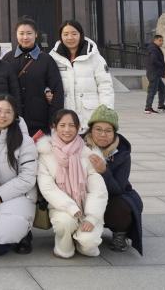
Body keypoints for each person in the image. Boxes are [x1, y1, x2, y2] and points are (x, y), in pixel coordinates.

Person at [37, 109, 108, 259]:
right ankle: (64, 245)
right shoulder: (46, 153)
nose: (67, 130)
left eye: (71, 125)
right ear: (54, 127)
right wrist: (70, 207)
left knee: (89, 245)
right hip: (61, 207)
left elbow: (98, 190)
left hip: (86, 208)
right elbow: (47, 188)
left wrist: (92, 217)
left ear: (78, 128)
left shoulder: (87, 153)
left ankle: (81, 240)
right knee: (64, 223)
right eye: (62, 125)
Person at [0, 95, 37, 256]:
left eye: (8, 112)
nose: (2, 115)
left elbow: (27, 178)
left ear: (15, 114)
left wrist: (0, 195)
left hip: (20, 195)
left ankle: (25, 234)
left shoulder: (25, 141)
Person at [83, 105, 144, 254]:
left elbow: (118, 188)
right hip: (83, 194)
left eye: (108, 130)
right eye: (98, 129)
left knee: (122, 206)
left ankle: (120, 233)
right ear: (91, 130)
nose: (103, 134)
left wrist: (104, 171)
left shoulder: (122, 152)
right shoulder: (79, 145)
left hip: (112, 196)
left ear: (114, 132)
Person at [2, 17, 64, 137]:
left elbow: (57, 91)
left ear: (36, 34)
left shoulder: (46, 60)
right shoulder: (8, 59)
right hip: (12, 120)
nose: (25, 37)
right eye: (21, 33)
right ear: (16, 35)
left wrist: (54, 120)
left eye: (29, 33)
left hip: (40, 122)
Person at [49, 20, 114, 130]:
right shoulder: (53, 57)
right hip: (64, 118)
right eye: (66, 34)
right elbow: (46, 82)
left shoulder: (94, 57)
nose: (70, 37)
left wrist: (105, 113)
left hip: (89, 116)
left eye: (74, 34)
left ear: (81, 35)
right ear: (61, 36)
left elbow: (105, 86)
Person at [145, 34, 165, 113]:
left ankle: (160, 106)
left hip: (156, 73)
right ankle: (148, 108)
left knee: (162, 88)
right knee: (152, 90)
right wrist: (162, 65)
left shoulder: (155, 48)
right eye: (160, 40)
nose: (162, 42)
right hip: (154, 73)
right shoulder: (153, 48)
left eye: (162, 40)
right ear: (155, 40)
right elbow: (153, 60)